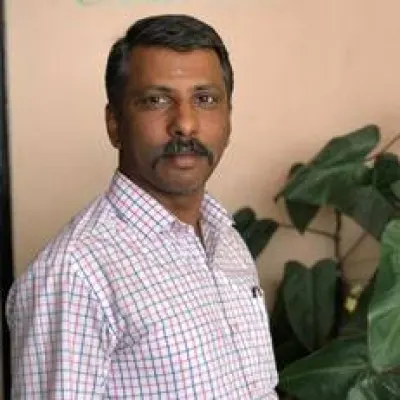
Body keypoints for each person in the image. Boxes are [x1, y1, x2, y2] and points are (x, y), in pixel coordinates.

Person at [7, 14, 278, 399]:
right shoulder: (74, 274)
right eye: (156, 100)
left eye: (205, 99)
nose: (186, 124)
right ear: (114, 123)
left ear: (228, 118)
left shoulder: (224, 236)